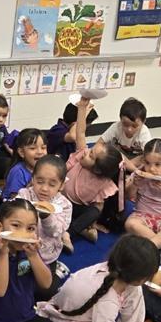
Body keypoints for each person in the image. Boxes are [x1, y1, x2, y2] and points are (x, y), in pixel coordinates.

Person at [63, 97, 121, 244]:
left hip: (76, 208)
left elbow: (98, 206)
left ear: (97, 170)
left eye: (91, 155)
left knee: (93, 212)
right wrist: (82, 108)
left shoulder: (103, 182)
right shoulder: (81, 154)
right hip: (60, 200)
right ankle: (81, 230)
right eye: (91, 150)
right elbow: (81, 133)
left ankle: (69, 233)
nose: (87, 152)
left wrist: (91, 221)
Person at [17, 155, 73, 291]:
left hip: (46, 255)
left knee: (45, 292)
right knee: (15, 285)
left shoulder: (64, 205)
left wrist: (46, 216)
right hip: (20, 250)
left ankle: (59, 272)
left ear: (61, 185)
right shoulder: (24, 195)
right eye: (40, 181)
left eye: (52, 184)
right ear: (33, 178)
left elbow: (56, 231)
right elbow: (13, 217)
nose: (44, 188)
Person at [98, 98, 151, 171]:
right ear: (120, 119)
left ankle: (127, 169)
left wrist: (128, 165)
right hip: (119, 157)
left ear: (144, 122)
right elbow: (100, 142)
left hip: (135, 161)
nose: (129, 129)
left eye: (134, 126)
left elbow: (149, 156)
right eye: (125, 124)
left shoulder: (144, 132)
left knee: (147, 158)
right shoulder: (116, 127)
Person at [1, 128, 47, 199]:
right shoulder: (18, 172)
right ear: (22, 152)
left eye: (43, 148)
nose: (40, 152)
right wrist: (30, 187)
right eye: (33, 148)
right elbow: (14, 199)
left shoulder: (44, 168)